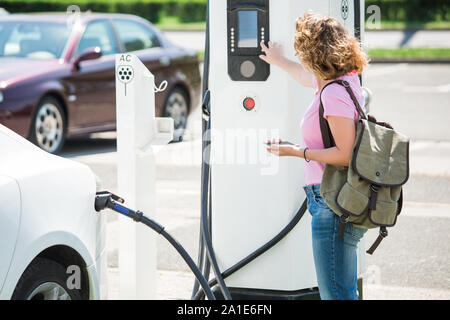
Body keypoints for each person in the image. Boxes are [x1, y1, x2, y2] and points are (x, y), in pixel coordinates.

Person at [262, 12, 369, 300]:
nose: (300, 55)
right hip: (333, 199)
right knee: (341, 291)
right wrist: (279, 60)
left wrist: (297, 152)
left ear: (314, 53)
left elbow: (345, 154)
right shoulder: (344, 80)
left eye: (302, 50)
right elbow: (304, 77)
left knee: (335, 294)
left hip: (331, 202)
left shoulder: (333, 93)